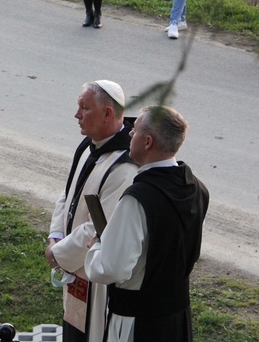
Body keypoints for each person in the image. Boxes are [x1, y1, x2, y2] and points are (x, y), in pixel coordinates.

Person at [84, 105, 210, 342]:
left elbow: (113, 268)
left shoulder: (138, 199)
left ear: (148, 142)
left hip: (138, 323)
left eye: (136, 129)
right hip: (176, 319)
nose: (130, 133)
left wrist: (97, 247)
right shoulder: (197, 189)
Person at [45, 80, 138, 342]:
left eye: (84, 108)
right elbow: (69, 192)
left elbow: (99, 227)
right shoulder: (89, 145)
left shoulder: (125, 167)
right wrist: (55, 233)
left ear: (108, 113)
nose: (77, 115)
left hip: (95, 281)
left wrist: (58, 254)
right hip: (73, 265)